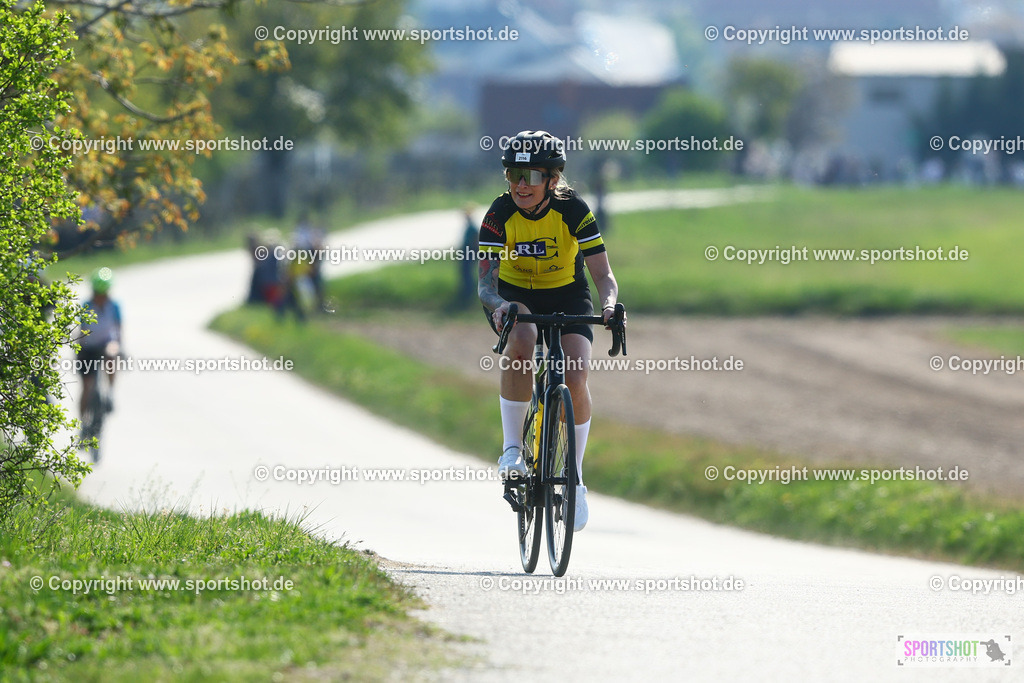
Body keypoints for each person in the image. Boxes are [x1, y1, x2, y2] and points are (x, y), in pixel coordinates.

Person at [478, 130, 623, 532]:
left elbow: (603, 276)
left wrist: (609, 305)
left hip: (567, 293)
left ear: (553, 179)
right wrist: (498, 306)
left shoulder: (574, 210)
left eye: (531, 176)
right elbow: (484, 285)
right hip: (512, 294)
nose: (520, 185)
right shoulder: (497, 213)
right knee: (522, 342)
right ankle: (511, 451)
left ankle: (574, 479)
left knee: (575, 374)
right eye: (512, 175)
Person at [78, 267, 122, 421]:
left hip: (106, 345)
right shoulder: (86, 306)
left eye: (103, 294)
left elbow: (119, 330)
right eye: (98, 294)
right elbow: (82, 332)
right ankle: (83, 422)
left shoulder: (114, 307)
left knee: (112, 353)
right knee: (87, 387)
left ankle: (110, 391)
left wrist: (119, 346)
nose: (101, 297)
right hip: (88, 348)